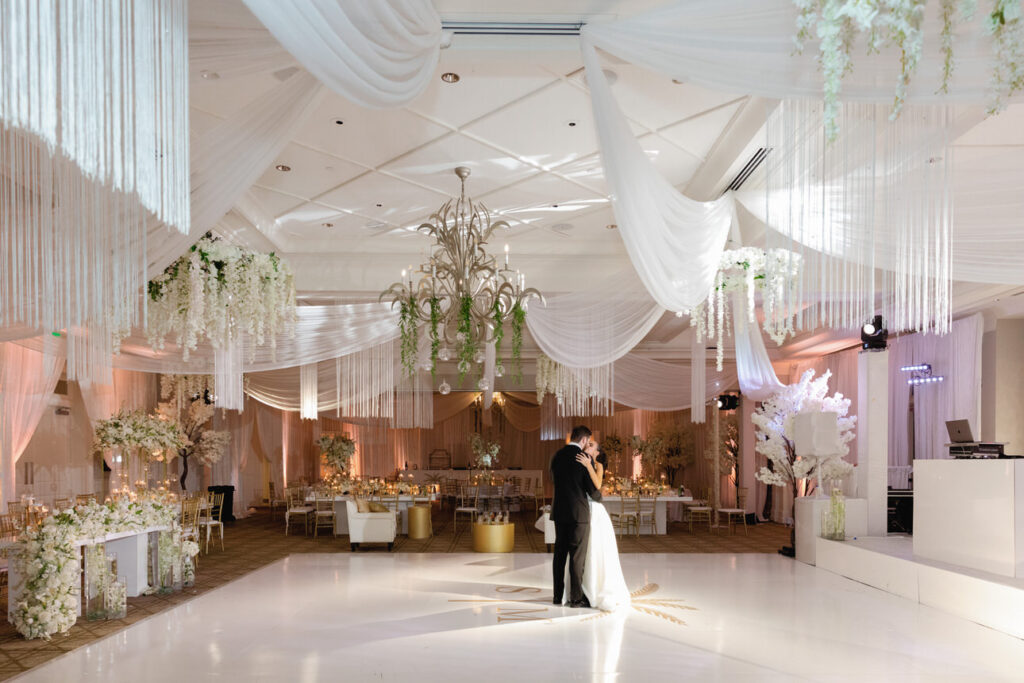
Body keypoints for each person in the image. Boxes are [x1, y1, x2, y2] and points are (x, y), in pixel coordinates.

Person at [573, 441, 631, 611]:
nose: (588, 445)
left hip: (595, 511)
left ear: (597, 452)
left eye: (592, 445)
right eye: (588, 443)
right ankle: (581, 589)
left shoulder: (597, 465)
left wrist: (588, 465)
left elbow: (597, 485)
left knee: (596, 548)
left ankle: (594, 588)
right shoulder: (581, 460)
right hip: (582, 507)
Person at [550, 425, 602, 608]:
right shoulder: (584, 458)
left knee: (559, 555)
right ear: (584, 440)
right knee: (576, 557)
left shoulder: (557, 456)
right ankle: (575, 598)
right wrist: (599, 497)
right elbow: (593, 490)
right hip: (579, 513)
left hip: (559, 511)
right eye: (589, 441)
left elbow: (554, 480)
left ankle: (557, 596)